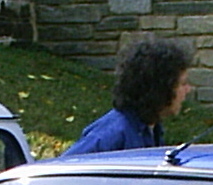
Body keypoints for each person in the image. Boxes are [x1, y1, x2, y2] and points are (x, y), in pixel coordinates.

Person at [64, 38, 192, 155]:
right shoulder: (111, 135)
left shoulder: (152, 129)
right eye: (183, 84)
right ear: (160, 88)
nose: (188, 89)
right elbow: (64, 170)